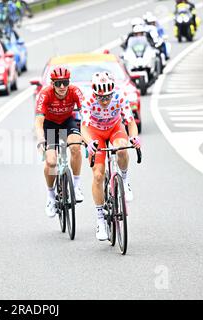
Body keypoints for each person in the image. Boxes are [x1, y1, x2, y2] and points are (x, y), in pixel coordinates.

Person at [80, 71, 141, 241]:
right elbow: (83, 127)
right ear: (95, 94)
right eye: (101, 98)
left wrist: (134, 137)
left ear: (113, 92)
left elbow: (130, 122)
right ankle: (100, 219)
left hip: (115, 128)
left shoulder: (120, 96)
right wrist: (89, 142)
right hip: (95, 132)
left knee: (122, 149)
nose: (105, 101)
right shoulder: (88, 100)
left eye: (108, 96)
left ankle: (125, 180)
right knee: (98, 175)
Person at [35, 66, 85, 218]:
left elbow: (86, 114)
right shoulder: (45, 94)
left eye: (65, 82)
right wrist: (41, 140)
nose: (62, 87)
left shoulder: (75, 91)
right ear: (52, 84)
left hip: (67, 122)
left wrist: (88, 135)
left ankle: (75, 187)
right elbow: (38, 122)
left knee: (76, 147)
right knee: (51, 163)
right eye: (58, 83)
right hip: (50, 126)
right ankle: (50, 196)